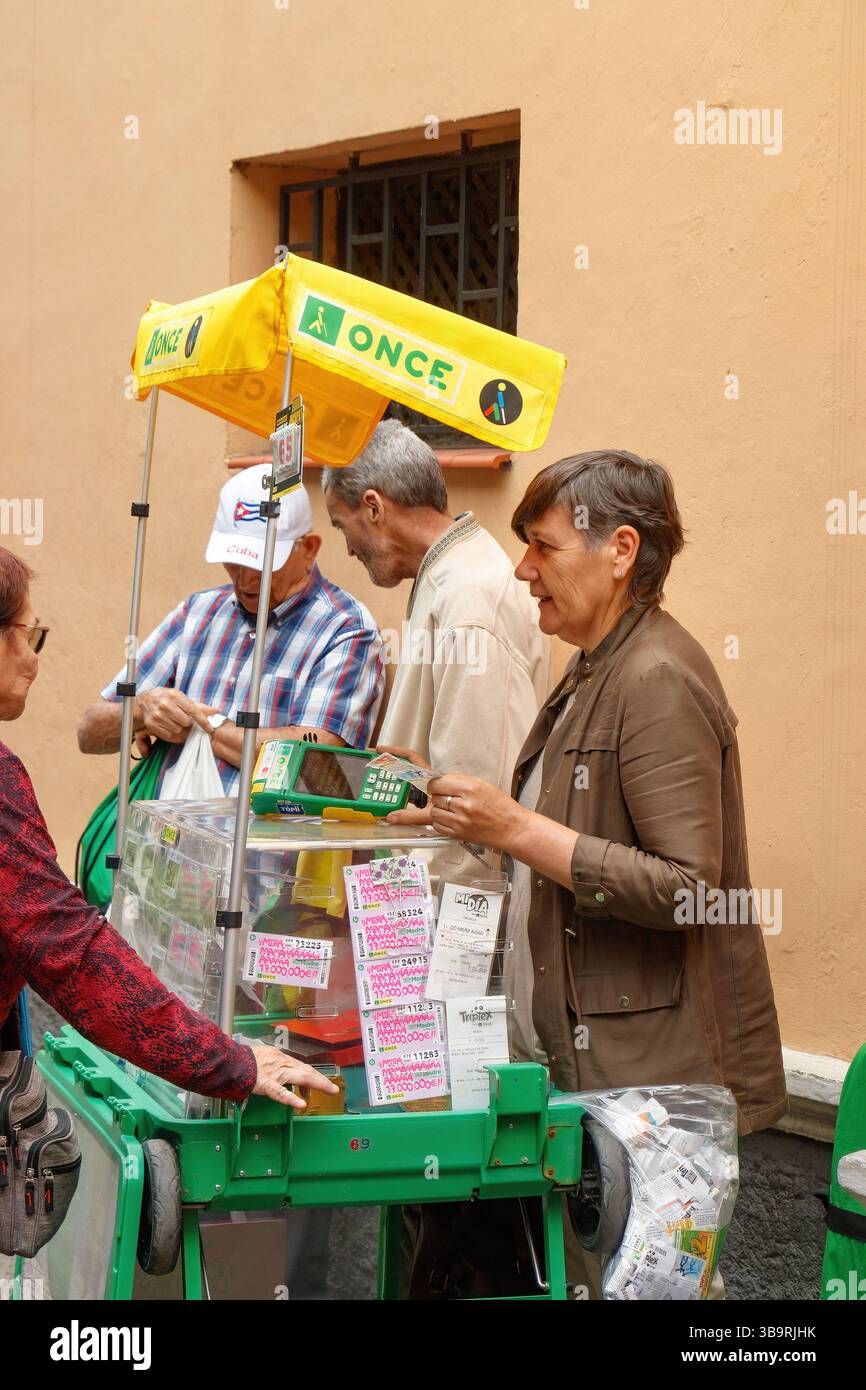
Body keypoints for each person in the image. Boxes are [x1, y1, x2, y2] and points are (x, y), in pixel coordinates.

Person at [389, 450, 787, 1298]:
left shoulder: (658, 677)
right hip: (601, 1074)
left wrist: (516, 826)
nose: (524, 569)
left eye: (543, 546)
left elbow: (687, 887)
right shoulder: (598, 663)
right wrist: (469, 818)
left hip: (652, 1091)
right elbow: (576, 836)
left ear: (621, 550)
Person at [0, 546, 337, 1114]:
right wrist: (227, 1060)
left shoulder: (341, 632)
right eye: (28, 635)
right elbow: (68, 952)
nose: (33, 660)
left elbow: (326, 761)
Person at [77, 466, 385, 787]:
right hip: (164, 831)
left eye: (263, 563)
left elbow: (316, 765)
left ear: (308, 550)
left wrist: (203, 727)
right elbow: (89, 732)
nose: (245, 579)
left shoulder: (346, 629)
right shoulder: (198, 612)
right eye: (234, 563)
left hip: (263, 836)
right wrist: (142, 710)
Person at [322, 420, 548, 790]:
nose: (348, 548)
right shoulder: (451, 572)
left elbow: (476, 796)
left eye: (341, 526)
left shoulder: (468, 596)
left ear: (374, 507)